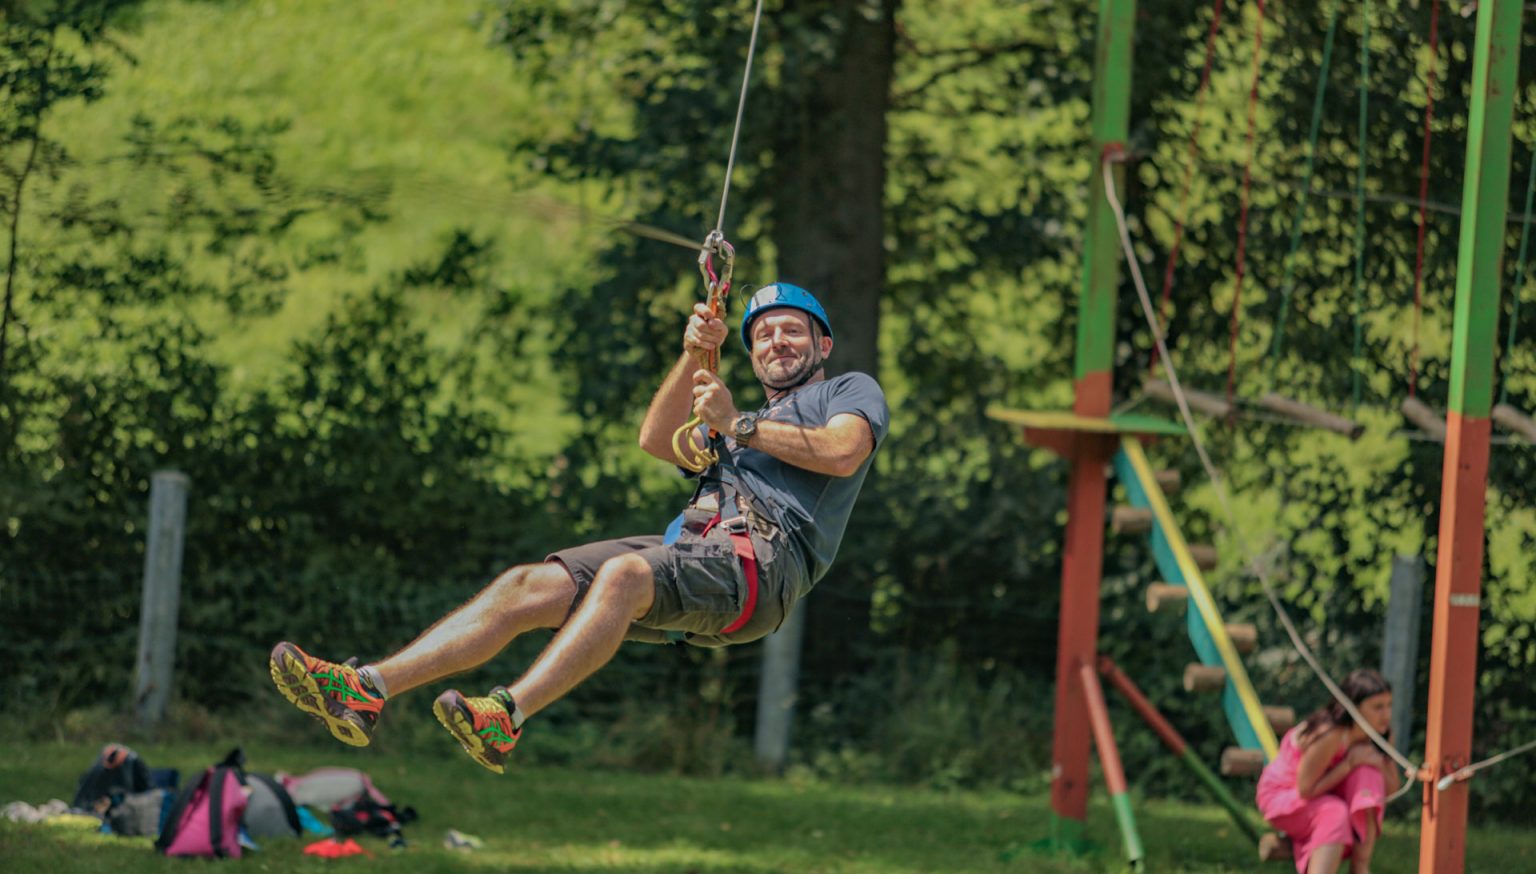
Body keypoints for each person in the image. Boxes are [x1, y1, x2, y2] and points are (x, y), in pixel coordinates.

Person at [268, 282, 889, 773]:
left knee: (621, 575)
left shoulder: (846, 391)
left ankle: (505, 717)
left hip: (762, 567)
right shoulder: (735, 415)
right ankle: (366, 688)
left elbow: (843, 452)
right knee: (526, 586)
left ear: (823, 345)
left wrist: (737, 426)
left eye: (792, 331)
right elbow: (656, 439)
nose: (778, 342)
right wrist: (696, 353)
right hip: (698, 550)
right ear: (751, 353)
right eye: (764, 335)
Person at [1256, 669, 1402, 874]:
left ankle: (1360, 865)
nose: (1386, 715)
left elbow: (1391, 788)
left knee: (1368, 774)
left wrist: (1377, 762)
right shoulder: (1330, 734)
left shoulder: (1381, 734)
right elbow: (1305, 790)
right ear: (1353, 708)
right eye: (1377, 707)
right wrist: (1349, 764)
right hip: (1285, 795)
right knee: (1335, 812)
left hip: (1326, 791)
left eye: (1389, 705)